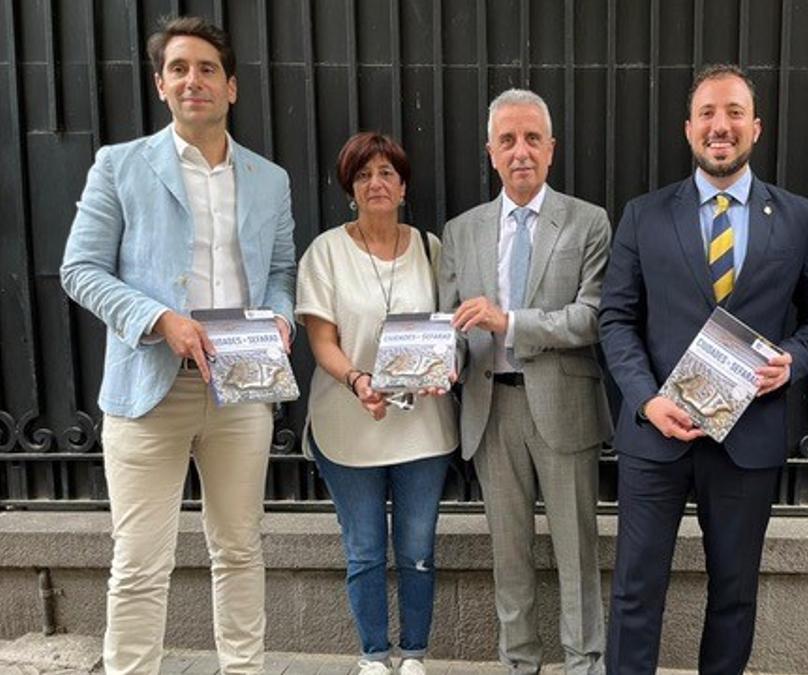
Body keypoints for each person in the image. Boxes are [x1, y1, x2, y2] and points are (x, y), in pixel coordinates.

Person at [59, 16, 296, 675]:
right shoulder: (120, 165)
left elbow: (281, 271)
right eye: (180, 69)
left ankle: (244, 668)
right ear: (161, 85)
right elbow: (80, 269)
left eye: (207, 69)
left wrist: (281, 318)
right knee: (139, 559)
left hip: (242, 389)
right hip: (146, 388)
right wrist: (161, 319)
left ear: (232, 88)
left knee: (241, 547)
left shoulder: (269, 179)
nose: (194, 79)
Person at [599, 64, 808, 674]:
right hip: (657, 434)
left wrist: (795, 360)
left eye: (734, 112)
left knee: (733, 595)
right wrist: (645, 399)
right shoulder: (644, 215)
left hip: (748, 436)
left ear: (755, 128)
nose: (720, 126)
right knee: (634, 592)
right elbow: (616, 321)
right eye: (707, 113)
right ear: (688, 129)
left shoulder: (798, 218)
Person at [438, 88, 611, 675]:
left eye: (532, 139)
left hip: (564, 408)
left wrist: (509, 322)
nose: (520, 152)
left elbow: (592, 317)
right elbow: (451, 326)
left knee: (576, 554)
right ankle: (519, 665)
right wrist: (435, 363)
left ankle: (585, 664)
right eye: (507, 140)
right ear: (490, 152)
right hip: (491, 411)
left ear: (551, 149)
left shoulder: (588, 222)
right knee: (509, 557)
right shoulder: (461, 231)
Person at [295, 132, 457, 675]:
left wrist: (442, 366)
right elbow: (321, 341)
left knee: (417, 546)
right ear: (350, 189)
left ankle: (413, 655)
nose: (376, 183)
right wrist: (358, 380)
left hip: (423, 427)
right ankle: (372, 656)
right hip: (349, 421)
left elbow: (448, 329)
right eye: (364, 175)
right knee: (363, 548)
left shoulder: (433, 249)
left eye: (387, 172)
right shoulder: (326, 251)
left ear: (404, 185)